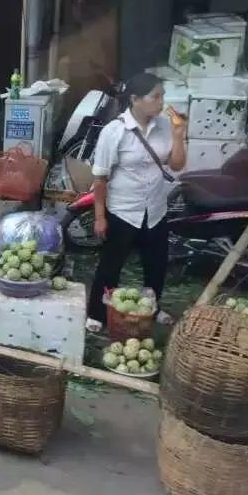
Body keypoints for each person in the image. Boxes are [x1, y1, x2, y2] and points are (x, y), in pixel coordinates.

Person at [86, 73, 188, 332]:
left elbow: (176, 166)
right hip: (123, 211)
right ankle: (97, 313)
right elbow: (100, 178)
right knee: (111, 265)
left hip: (155, 209)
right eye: (155, 96)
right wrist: (100, 217)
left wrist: (178, 134)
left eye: (162, 95)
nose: (161, 102)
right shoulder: (114, 131)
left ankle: (153, 309)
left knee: (156, 265)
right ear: (135, 100)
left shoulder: (165, 126)